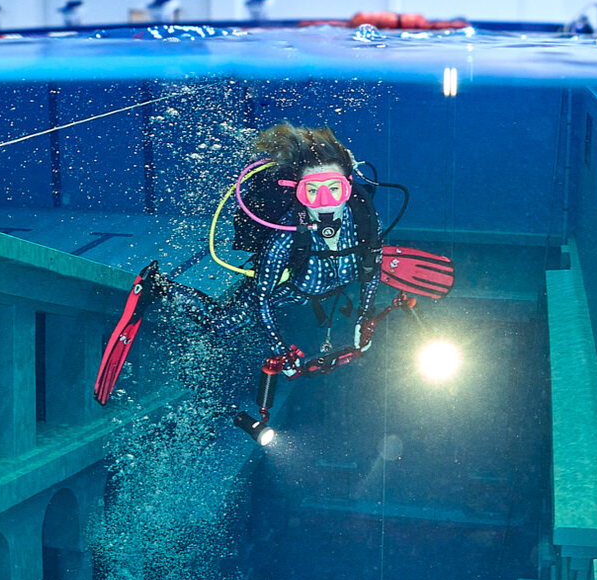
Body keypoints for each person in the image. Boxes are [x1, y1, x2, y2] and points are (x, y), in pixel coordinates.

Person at [92, 123, 452, 409]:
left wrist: (362, 318)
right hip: (285, 293)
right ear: (298, 193)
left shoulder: (362, 217)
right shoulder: (286, 238)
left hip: (324, 291)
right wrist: (280, 347)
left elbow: (372, 267)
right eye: (312, 192)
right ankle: (157, 286)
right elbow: (262, 298)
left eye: (334, 190)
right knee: (222, 325)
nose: (325, 204)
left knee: (350, 286)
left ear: (349, 188)